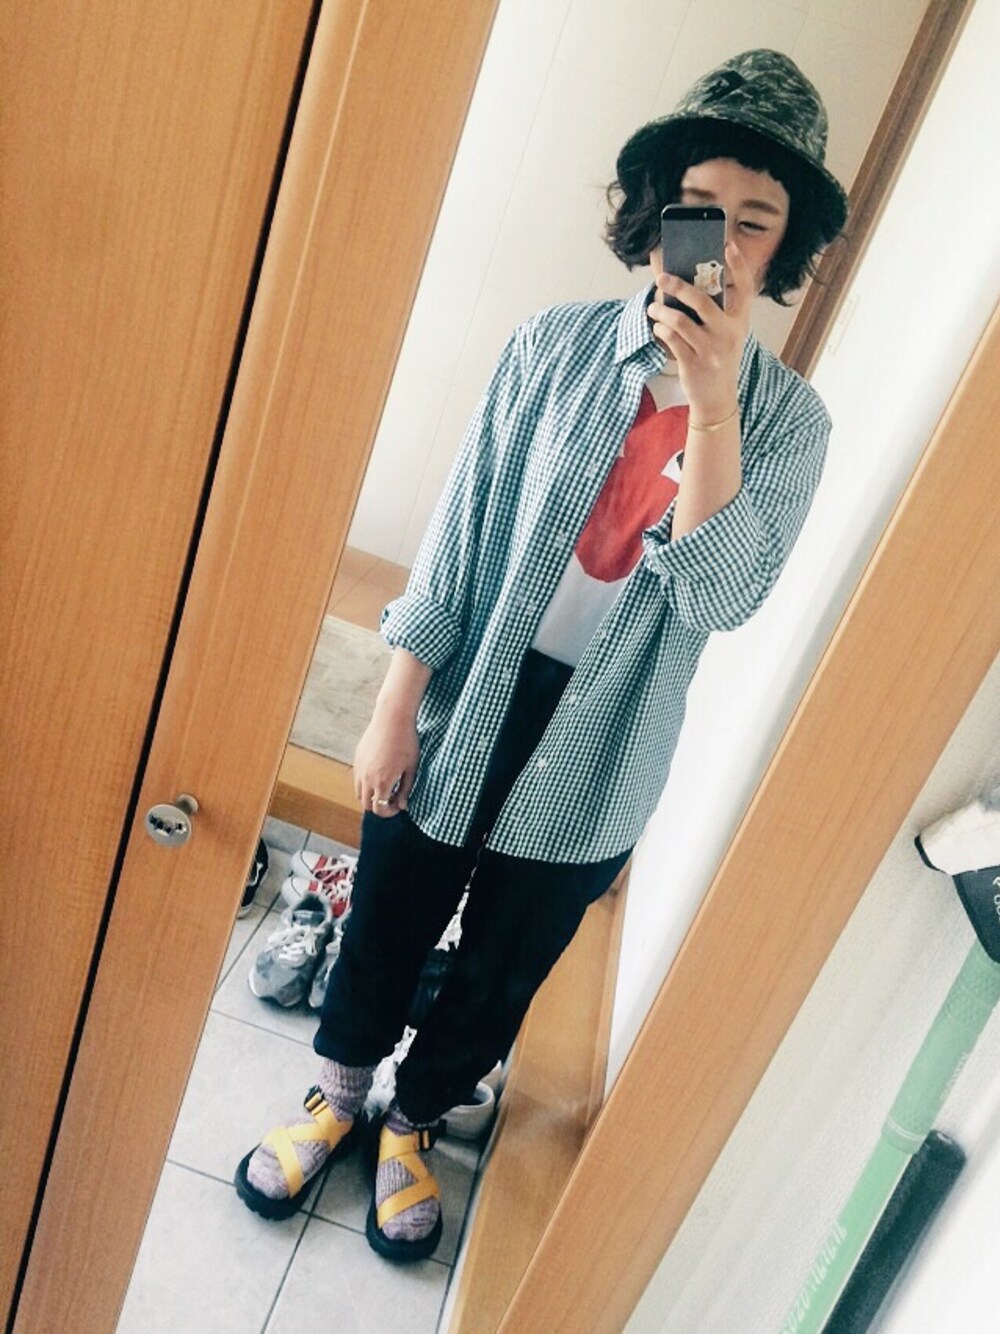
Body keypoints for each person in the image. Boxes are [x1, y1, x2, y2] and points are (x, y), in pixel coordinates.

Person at [235, 49, 848, 1261]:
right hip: (468, 691)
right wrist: (392, 704)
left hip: (608, 736)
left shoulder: (790, 425)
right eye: (700, 207)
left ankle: (415, 1119)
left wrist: (711, 399)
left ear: (787, 245)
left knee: (504, 962)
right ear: (656, 211)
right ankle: (339, 1094)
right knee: (389, 912)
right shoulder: (551, 348)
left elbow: (721, 592)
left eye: (756, 220)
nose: (722, 241)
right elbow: (458, 536)